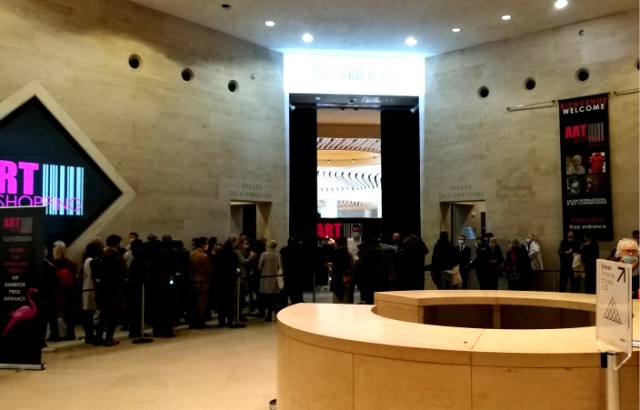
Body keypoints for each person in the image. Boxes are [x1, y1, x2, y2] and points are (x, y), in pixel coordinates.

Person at [94, 234, 127, 347]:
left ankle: (98, 338)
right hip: (114, 290)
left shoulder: (101, 256)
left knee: (103, 316)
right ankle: (109, 338)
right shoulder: (116, 257)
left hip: (102, 290)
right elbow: (123, 272)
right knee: (112, 316)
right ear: (117, 244)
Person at [51, 241, 78, 341]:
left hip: (56, 293)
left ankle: (55, 335)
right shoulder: (72, 265)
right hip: (68, 292)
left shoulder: (52, 265)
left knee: (53, 315)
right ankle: (71, 333)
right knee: (69, 313)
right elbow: (74, 280)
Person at [79, 241, 102, 344]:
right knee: (89, 314)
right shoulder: (92, 261)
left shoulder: (86, 261)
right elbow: (96, 276)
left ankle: (89, 335)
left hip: (86, 288)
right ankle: (90, 335)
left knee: (87, 315)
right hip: (91, 288)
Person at [189, 236, 213, 329]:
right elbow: (209, 271)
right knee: (202, 304)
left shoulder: (192, 254)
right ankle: (200, 321)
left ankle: (194, 321)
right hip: (203, 281)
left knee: (194, 303)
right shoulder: (204, 256)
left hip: (194, 280)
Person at [258, 240, 283, 321]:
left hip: (265, 278)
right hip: (274, 278)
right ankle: (273, 312)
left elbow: (259, 267)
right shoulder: (277, 255)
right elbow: (280, 266)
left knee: (267, 297)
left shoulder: (264, 255)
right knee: (272, 297)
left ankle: (270, 313)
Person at [329, 237, 355, 303]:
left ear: (337, 244)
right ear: (345, 243)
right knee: (346, 301)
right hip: (346, 281)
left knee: (337, 302)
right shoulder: (348, 254)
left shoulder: (334, 254)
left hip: (336, 281)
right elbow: (352, 267)